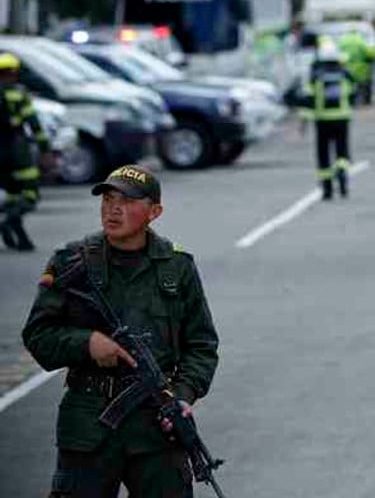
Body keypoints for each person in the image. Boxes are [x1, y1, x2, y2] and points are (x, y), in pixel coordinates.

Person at [22, 164, 219, 498]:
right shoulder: (72, 261)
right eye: (108, 199)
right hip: (89, 424)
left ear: (154, 212)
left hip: (156, 426)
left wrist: (183, 397)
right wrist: (87, 343)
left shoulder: (177, 267)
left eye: (127, 201)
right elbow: (38, 335)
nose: (113, 209)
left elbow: (201, 345)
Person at [0, 52, 51, 250]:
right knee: (30, 193)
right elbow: (34, 125)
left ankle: (20, 238)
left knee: (12, 193)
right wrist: (45, 150)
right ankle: (7, 222)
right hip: (17, 150)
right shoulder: (19, 95)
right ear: (13, 72)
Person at [300, 41, 354, 200]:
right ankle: (342, 172)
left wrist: (303, 122)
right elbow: (353, 93)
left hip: (322, 120)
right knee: (342, 150)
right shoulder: (345, 73)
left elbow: (308, 100)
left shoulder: (316, 76)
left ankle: (327, 189)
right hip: (342, 118)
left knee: (323, 154)